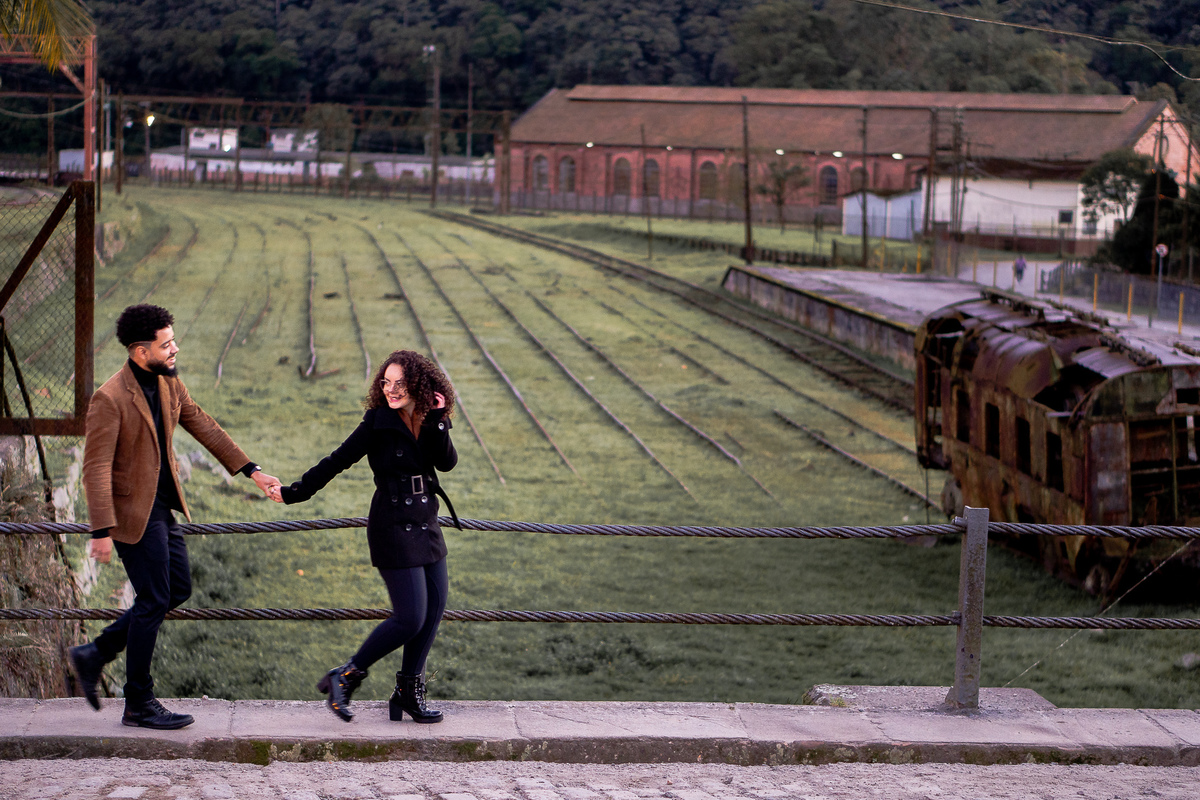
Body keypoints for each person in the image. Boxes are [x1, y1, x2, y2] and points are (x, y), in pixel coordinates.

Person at [69, 304, 280, 730]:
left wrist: (252, 471)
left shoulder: (168, 384)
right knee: (152, 600)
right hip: (132, 515)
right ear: (139, 351)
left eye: (173, 341)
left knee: (176, 589)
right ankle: (138, 703)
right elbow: (94, 467)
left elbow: (203, 424)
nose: (174, 348)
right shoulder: (110, 398)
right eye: (166, 344)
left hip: (161, 510)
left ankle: (94, 653)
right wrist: (101, 530)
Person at [268, 349, 459, 724]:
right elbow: (336, 460)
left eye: (400, 383)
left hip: (426, 522)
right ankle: (347, 674)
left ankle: (408, 691)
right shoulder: (377, 422)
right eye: (386, 382)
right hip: (392, 526)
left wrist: (437, 418)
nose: (391, 389)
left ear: (419, 384)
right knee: (410, 617)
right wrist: (294, 492)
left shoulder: (430, 418)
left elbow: (447, 462)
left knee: (432, 612)